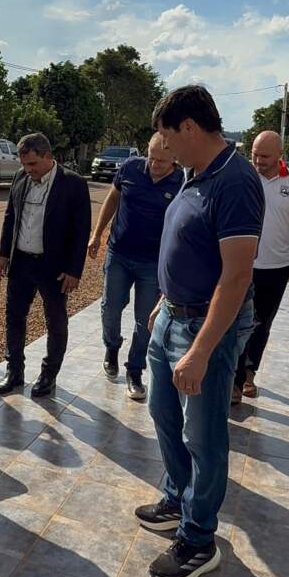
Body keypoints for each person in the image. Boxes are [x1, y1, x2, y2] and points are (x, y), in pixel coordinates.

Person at [136, 85, 264, 577]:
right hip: (172, 315)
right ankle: (177, 495)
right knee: (163, 413)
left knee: (204, 434)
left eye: (168, 136)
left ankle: (198, 538)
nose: (164, 148)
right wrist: (162, 305)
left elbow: (235, 278)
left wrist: (202, 349)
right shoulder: (196, 175)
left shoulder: (234, 181)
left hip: (204, 326)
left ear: (189, 127)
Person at [0, 131, 91, 399]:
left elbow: (81, 230)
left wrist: (74, 270)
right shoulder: (20, 178)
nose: (28, 170)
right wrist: (4, 254)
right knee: (14, 318)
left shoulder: (73, 184)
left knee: (55, 321)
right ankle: (14, 372)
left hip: (54, 267)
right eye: (24, 165)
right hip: (21, 263)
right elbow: (10, 216)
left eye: (33, 164)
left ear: (49, 157)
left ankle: (48, 374)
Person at [87, 132, 183, 401]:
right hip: (118, 253)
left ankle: (135, 370)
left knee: (145, 320)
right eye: (152, 158)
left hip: (153, 264)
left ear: (174, 159)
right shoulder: (130, 168)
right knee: (110, 306)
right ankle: (112, 347)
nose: (154, 165)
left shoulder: (180, 182)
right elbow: (112, 199)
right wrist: (97, 234)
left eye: (161, 161)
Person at [232, 130, 289, 403]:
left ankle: (248, 375)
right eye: (254, 154)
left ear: (280, 154)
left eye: (265, 156)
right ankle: (233, 380)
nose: (258, 160)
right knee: (234, 321)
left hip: (275, 268)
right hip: (240, 264)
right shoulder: (243, 177)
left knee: (260, 324)